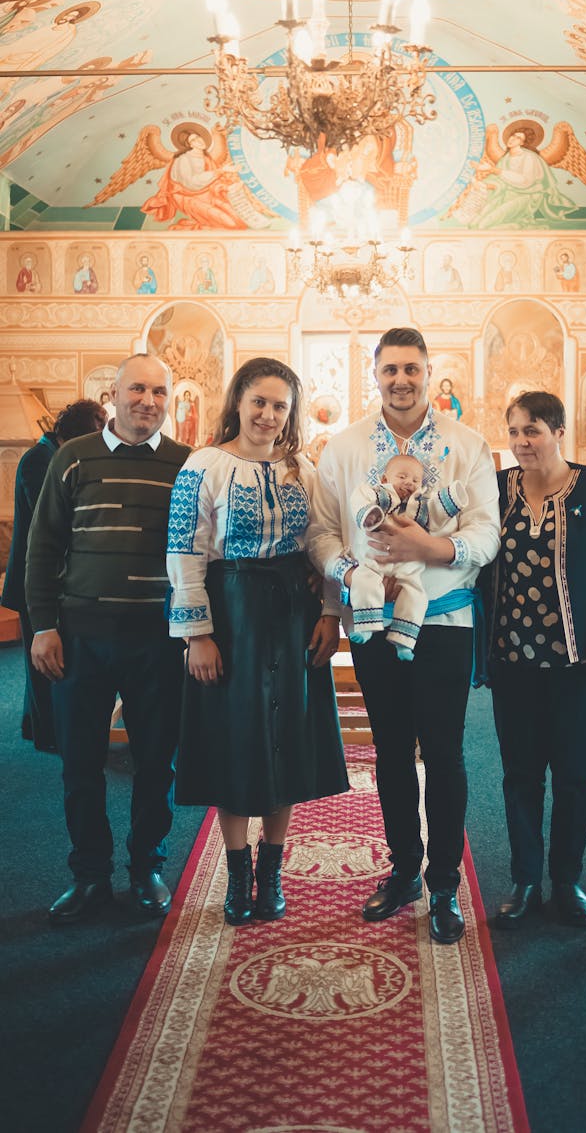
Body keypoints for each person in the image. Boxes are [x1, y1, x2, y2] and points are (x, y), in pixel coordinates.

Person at [307, 327, 500, 945]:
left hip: (445, 622)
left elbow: (486, 534)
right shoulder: (343, 448)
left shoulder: (467, 446)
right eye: (390, 369)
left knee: (442, 752)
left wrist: (430, 547)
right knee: (390, 751)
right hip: (370, 623)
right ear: (376, 373)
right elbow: (322, 535)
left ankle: (444, 881)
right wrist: (353, 573)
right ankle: (404, 870)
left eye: (412, 369)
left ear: (428, 370)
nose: (401, 380)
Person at [166, 357, 349, 927]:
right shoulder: (205, 464)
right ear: (238, 403)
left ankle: (272, 873)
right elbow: (185, 550)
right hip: (232, 613)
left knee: (287, 734)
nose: (268, 415)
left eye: (279, 406)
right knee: (238, 738)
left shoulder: (303, 469)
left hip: (292, 612)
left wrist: (329, 612)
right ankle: (238, 871)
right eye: (259, 402)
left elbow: (322, 540)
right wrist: (198, 634)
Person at [25, 355, 190, 924]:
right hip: (81, 634)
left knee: (156, 761)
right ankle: (89, 875)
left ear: (169, 400)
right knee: (80, 760)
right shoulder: (73, 458)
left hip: (157, 636)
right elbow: (42, 547)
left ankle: (147, 868)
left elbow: (199, 554)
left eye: (159, 391)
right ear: (114, 393)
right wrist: (43, 625)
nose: (148, 399)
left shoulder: (185, 464)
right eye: (137, 388)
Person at [487, 392, 586, 929]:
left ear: (559, 431)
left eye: (534, 431)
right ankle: (526, 879)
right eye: (515, 432)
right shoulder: (497, 488)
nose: (523, 442)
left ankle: (567, 878)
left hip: (576, 664)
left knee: (575, 774)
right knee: (519, 775)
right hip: (512, 662)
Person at [2, 399, 106, 751]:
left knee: (42, 663)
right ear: (76, 432)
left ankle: (35, 726)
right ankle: (50, 738)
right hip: (34, 578)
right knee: (42, 664)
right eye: (96, 429)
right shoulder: (39, 460)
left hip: (48, 576)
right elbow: (50, 522)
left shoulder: (52, 454)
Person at [349, 453, 468, 661]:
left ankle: (404, 640)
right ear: (385, 479)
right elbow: (358, 498)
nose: (409, 483)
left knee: (416, 596)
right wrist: (369, 513)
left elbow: (437, 512)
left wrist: (453, 497)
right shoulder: (379, 496)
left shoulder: (420, 505)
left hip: (409, 566)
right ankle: (366, 626)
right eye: (402, 476)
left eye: (415, 480)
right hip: (376, 560)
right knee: (363, 579)